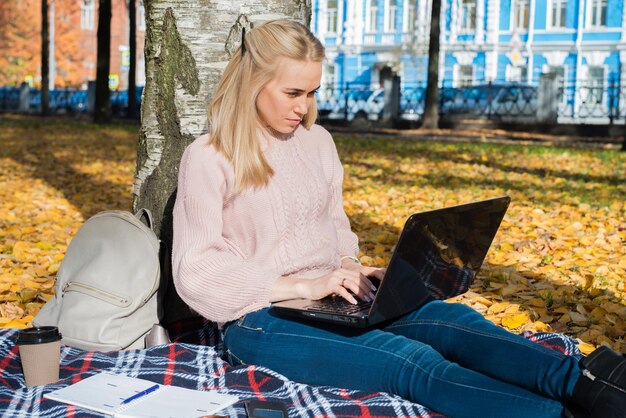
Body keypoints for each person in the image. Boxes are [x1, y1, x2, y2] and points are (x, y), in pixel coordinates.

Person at [171, 19, 626, 418]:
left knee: (456, 324)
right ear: (252, 83)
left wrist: (353, 272)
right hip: (259, 320)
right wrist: (301, 287)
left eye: (312, 93)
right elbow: (196, 271)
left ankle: (596, 385)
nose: (303, 107)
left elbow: (334, 230)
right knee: (410, 362)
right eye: (292, 93)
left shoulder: (317, 142)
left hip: (334, 298)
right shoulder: (209, 157)